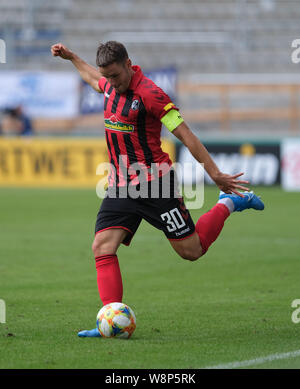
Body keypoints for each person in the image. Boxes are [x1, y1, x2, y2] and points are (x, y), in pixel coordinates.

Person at [51, 41, 264, 337]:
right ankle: (109, 320)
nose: (111, 83)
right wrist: (72, 57)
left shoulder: (151, 94)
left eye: (115, 76)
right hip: (121, 185)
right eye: (107, 77)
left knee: (192, 251)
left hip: (156, 185)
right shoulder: (111, 85)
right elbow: (91, 77)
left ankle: (227, 202)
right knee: (102, 246)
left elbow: (185, 134)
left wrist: (215, 173)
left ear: (128, 64)